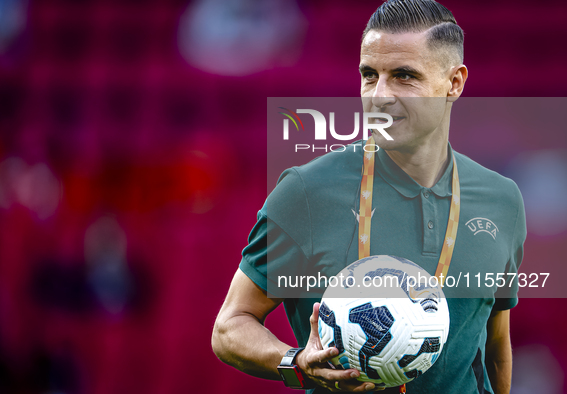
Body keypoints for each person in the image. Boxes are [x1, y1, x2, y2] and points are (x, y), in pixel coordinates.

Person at [212, 1, 526, 393]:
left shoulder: (502, 200)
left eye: (403, 77)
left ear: (454, 83)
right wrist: (294, 361)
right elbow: (229, 326)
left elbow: (496, 344)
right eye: (368, 75)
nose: (379, 96)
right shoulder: (307, 191)